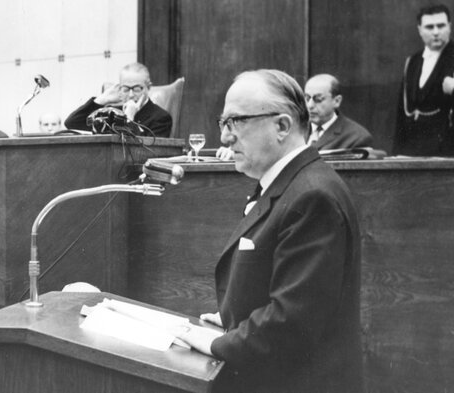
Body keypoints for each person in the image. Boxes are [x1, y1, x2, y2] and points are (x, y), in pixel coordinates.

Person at [177, 69, 363, 392]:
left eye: (237, 121)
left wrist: (215, 344)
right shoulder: (285, 185)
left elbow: (292, 322)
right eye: (224, 122)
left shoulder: (312, 195)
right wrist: (234, 320)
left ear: (282, 126)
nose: (225, 137)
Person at [396, 4, 454, 156]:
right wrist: (398, 154)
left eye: (441, 26)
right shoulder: (412, 62)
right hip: (412, 151)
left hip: (447, 152)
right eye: (429, 27)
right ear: (420, 30)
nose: (436, 32)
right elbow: (403, 113)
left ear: (449, 26)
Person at [64, 62, 172, 137]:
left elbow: (146, 152)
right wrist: (101, 100)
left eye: (137, 89)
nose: (130, 95)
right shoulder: (113, 112)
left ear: (148, 88)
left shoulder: (161, 117)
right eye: (126, 89)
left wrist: (129, 119)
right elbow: (72, 123)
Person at [304, 74, 373, 149]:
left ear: (337, 101)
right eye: (307, 98)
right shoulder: (294, 130)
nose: (310, 105)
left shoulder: (357, 137)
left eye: (318, 99)